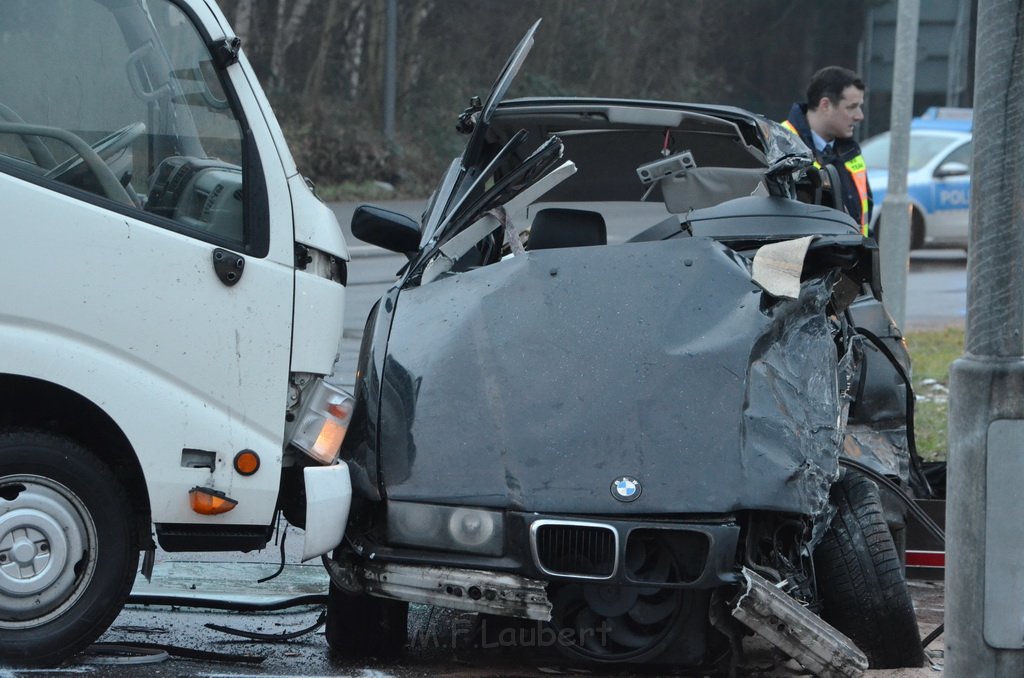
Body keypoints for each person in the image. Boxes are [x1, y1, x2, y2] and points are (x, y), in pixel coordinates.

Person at [782, 66, 872, 236]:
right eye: (852, 107)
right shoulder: (781, 145)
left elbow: (864, 221)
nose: (860, 116)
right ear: (825, 105)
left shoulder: (850, 152)